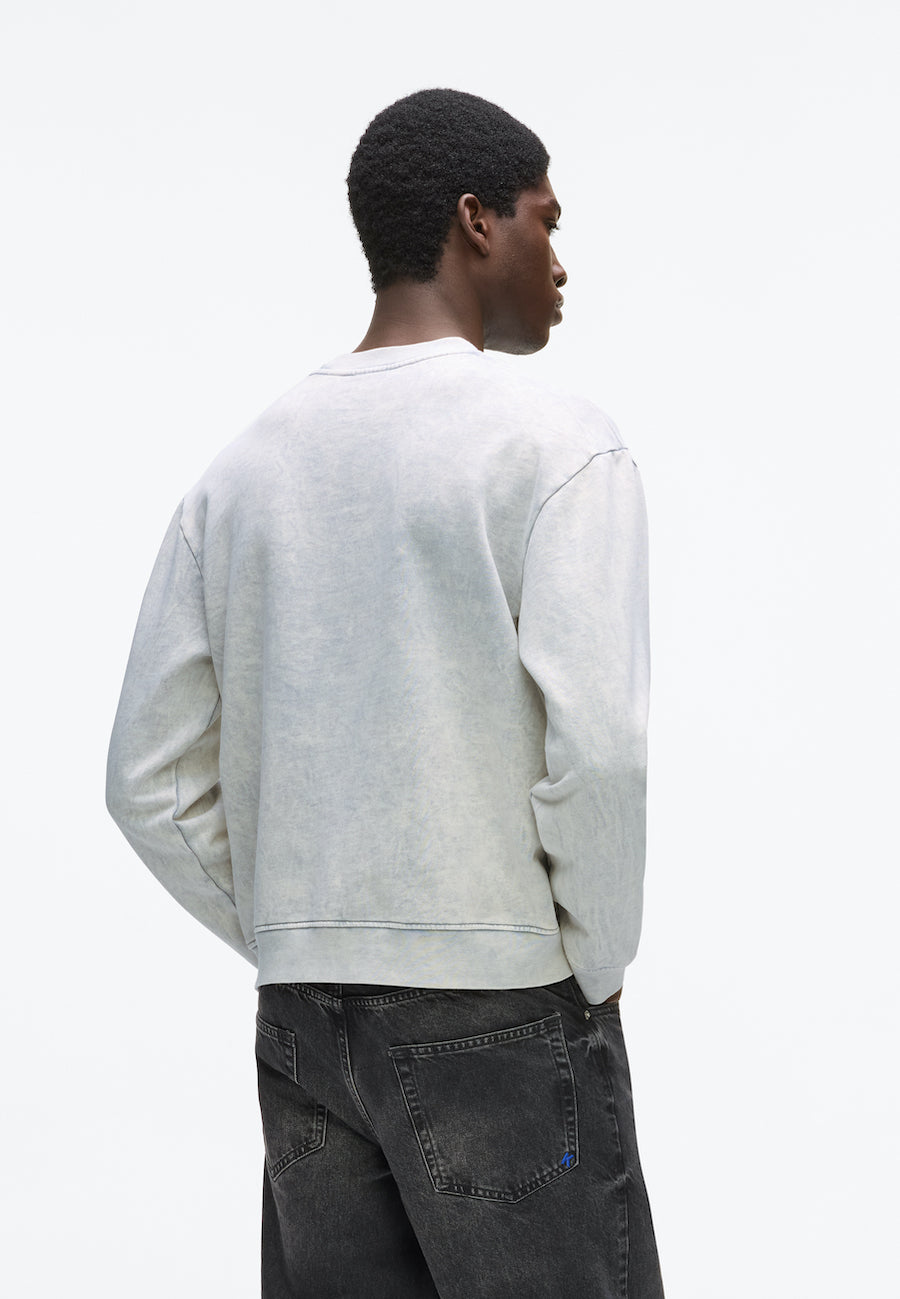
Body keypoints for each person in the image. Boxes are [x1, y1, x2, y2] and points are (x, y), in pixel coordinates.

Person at [106, 88, 665, 1298]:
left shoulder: (242, 472)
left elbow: (146, 780)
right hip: (506, 1010)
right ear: (476, 220)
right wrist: (595, 959)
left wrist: (298, 930)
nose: (560, 260)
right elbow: (602, 750)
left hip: (307, 1021)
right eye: (545, 220)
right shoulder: (557, 447)